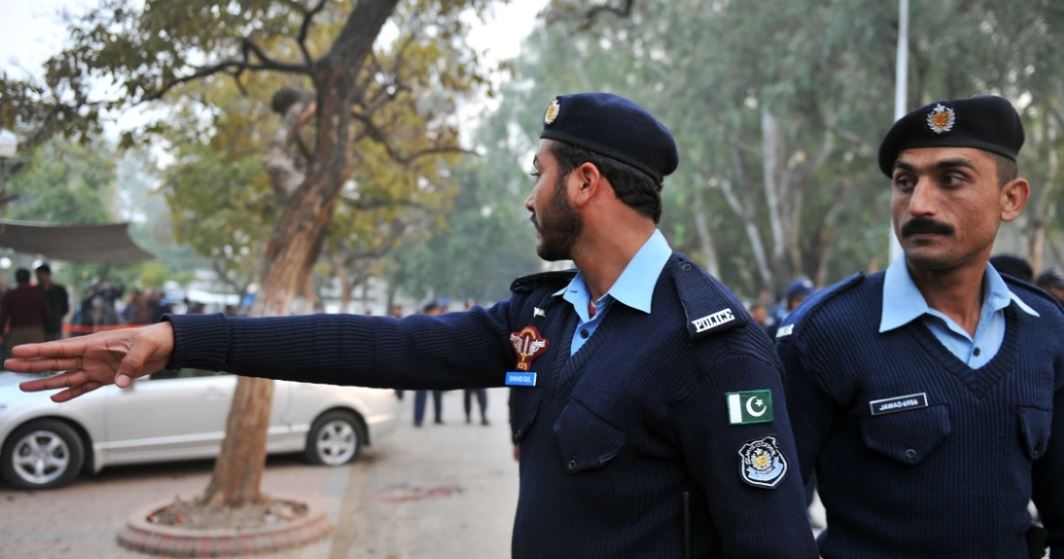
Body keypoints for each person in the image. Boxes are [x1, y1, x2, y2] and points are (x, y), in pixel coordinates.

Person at [7, 92, 818, 558]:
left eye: (537, 173)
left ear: (586, 183)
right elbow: (376, 345)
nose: (526, 195)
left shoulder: (713, 346)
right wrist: (182, 338)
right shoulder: (547, 313)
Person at [775, 95, 1063, 558]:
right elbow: (769, 517)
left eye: (951, 179)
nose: (920, 205)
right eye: (905, 182)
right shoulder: (826, 334)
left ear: (1011, 199)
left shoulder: (1045, 329)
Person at [0, 268, 50, 364]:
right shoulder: (37, 293)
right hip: (35, 332)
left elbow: (3, 316)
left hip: (16, 333)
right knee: (36, 363)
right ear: (29, 278)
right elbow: (47, 313)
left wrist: (1, 333)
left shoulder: (10, 294)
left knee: (15, 363)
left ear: (16, 278)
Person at [412, 300, 447, 426]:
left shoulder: (439, 323)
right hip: (422, 363)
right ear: (429, 311)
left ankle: (438, 417)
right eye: (435, 310)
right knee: (421, 393)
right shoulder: (420, 324)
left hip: (436, 363)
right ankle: (418, 419)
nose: (437, 312)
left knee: (438, 393)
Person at [461, 298, 490, 425]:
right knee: (467, 394)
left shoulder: (481, 324)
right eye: (469, 306)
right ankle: (468, 415)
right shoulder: (461, 323)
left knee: (482, 394)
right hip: (467, 365)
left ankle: (483, 415)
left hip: (480, 366)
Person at [34, 263, 69, 341]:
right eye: (38, 277)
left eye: (40, 276)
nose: (38, 279)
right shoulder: (35, 291)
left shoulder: (60, 290)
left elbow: (65, 308)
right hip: (39, 328)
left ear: (47, 275)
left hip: (55, 327)